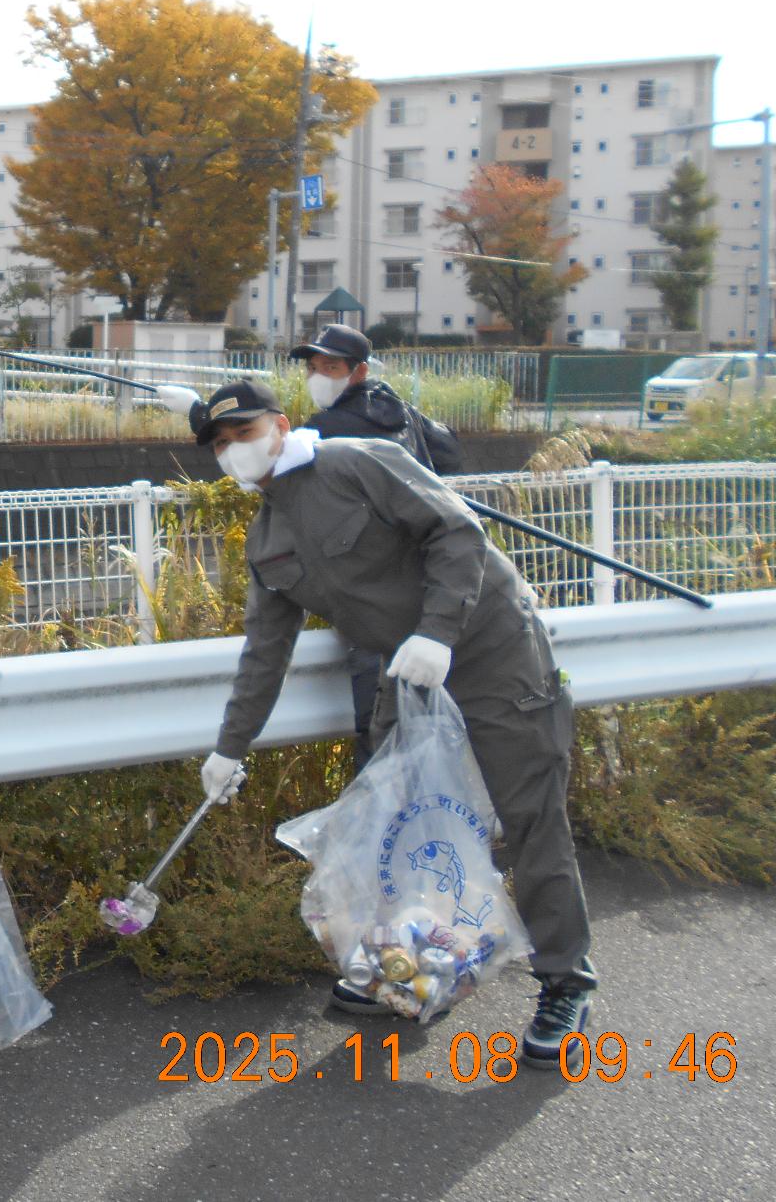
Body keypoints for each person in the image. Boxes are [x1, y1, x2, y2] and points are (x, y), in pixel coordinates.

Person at [187, 379, 595, 1064]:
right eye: (222, 445)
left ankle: (564, 979)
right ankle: (410, 968)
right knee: (399, 827)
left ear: (281, 425)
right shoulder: (267, 540)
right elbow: (265, 654)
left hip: (490, 647)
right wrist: (230, 749)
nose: (236, 452)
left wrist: (439, 632)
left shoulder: (356, 462)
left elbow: (457, 530)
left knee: (529, 815)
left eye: (245, 434)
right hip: (405, 676)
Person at [290, 322, 463, 772]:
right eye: (312, 367)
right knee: (424, 719)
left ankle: (386, 829)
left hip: (372, 589)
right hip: (426, 583)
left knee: (377, 722)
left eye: (330, 367)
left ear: (358, 371)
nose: (317, 376)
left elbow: (273, 472)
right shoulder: (397, 409)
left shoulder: (329, 428)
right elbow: (447, 453)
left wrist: (200, 418)